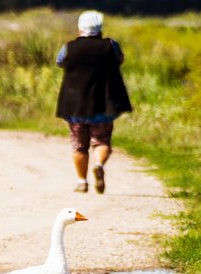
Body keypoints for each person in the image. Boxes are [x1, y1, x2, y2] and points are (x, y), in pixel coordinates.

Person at [55, 10, 132, 194]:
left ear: (80, 28)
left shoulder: (69, 47)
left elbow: (60, 62)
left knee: (79, 145)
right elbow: (120, 59)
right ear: (100, 28)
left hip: (74, 105)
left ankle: (82, 181)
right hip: (103, 103)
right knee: (101, 141)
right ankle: (99, 165)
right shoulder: (111, 46)